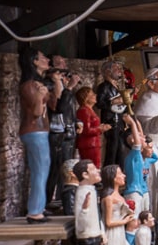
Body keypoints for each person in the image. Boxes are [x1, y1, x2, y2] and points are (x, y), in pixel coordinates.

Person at [19, 46, 60, 223]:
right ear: (34, 61)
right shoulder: (29, 85)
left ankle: (40, 206)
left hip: (42, 131)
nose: (47, 61)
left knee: (44, 169)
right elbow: (36, 112)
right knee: (39, 171)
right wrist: (39, 97)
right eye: (43, 58)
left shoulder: (40, 83)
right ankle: (34, 211)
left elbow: (53, 105)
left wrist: (58, 82)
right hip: (34, 131)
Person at [45, 54, 80, 208]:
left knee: (68, 167)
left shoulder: (62, 85)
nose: (64, 65)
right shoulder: (51, 85)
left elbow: (70, 110)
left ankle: (63, 198)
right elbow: (58, 107)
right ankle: (49, 201)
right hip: (58, 132)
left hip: (68, 130)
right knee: (57, 168)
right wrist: (69, 87)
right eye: (60, 63)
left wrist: (77, 121)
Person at [100, 164, 133, 245]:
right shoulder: (108, 198)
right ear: (113, 178)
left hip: (119, 232)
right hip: (112, 232)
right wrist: (124, 221)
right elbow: (108, 222)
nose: (124, 176)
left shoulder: (118, 195)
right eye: (120, 174)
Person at [73, 159, 104, 245]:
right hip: (87, 237)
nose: (98, 171)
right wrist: (85, 208)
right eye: (93, 170)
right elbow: (81, 221)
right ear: (85, 175)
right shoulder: (82, 193)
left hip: (94, 234)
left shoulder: (91, 190)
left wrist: (101, 231)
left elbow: (96, 216)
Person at [122, 114, 156, 216]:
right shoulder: (134, 154)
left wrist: (137, 124)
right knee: (135, 218)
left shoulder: (140, 155)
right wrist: (132, 124)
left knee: (144, 217)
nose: (144, 137)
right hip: (133, 191)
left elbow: (141, 139)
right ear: (133, 140)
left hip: (139, 191)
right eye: (139, 136)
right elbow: (138, 143)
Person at [95, 59, 127, 167]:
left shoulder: (117, 88)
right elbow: (99, 103)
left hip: (120, 122)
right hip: (111, 122)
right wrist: (112, 102)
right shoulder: (104, 87)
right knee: (112, 151)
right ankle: (109, 172)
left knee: (120, 150)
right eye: (116, 69)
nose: (119, 71)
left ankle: (118, 172)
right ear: (108, 72)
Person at [75, 86, 109, 167]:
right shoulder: (84, 111)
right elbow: (86, 130)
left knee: (95, 166)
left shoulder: (89, 110)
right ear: (86, 97)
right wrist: (100, 129)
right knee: (93, 167)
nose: (95, 95)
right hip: (89, 145)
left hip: (93, 143)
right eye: (92, 94)